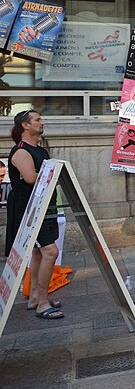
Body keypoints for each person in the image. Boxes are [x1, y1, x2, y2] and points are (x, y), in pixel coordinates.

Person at [6, 110, 63, 319]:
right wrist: (55, 175)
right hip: (30, 212)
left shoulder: (40, 150)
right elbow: (30, 177)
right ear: (25, 125)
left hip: (44, 209)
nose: (42, 122)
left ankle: (35, 299)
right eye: (37, 120)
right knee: (50, 252)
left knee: (39, 253)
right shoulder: (21, 151)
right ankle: (43, 304)